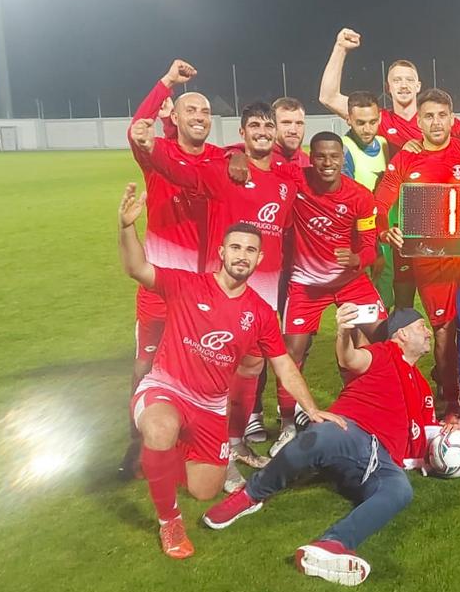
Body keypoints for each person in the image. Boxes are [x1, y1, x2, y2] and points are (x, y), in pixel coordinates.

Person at [117, 184, 343, 559]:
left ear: (259, 258)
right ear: (222, 252)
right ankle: (170, 521)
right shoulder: (187, 284)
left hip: (210, 406)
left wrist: (312, 408)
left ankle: (166, 452)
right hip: (167, 389)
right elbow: (136, 268)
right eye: (235, 247)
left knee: (204, 489)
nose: (242, 255)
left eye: (250, 250)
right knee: (159, 428)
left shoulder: (260, 312)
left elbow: (284, 364)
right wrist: (127, 227)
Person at [202, 305, 440, 587]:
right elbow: (350, 358)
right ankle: (250, 495)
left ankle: (333, 544)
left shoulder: (422, 386)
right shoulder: (384, 353)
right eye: (421, 327)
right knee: (320, 436)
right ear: (402, 334)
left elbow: (428, 434)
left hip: (382, 459)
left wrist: (452, 435)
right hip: (349, 432)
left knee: (400, 491)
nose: (428, 332)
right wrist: (343, 333)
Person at [131, 101, 298, 484]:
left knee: (253, 367)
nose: (262, 132)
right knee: (216, 371)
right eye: (254, 126)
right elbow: (178, 169)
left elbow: (283, 232)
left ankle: (235, 442)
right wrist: (151, 145)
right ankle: (211, 450)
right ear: (242, 133)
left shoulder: (286, 183)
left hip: (264, 296)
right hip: (223, 292)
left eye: (267, 126)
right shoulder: (224, 172)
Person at [120, 59, 228, 479]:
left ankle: (192, 438)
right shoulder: (157, 154)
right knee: (146, 364)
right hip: (159, 284)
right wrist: (166, 82)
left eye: (205, 111)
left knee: (202, 363)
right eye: (191, 110)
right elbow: (137, 130)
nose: (199, 116)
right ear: (175, 118)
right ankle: (137, 438)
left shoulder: (220, 158)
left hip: (202, 289)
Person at [375, 88, 460, 420]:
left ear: (452, 119)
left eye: (441, 115)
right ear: (418, 122)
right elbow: (379, 203)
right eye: (428, 116)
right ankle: (451, 399)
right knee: (443, 331)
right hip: (430, 259)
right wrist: (384, 231)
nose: (436, 122)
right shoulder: (405, 159)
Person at [318, 28, 460, 310]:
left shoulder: (434, 120)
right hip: (391, 224)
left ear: (418, 85)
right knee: (393, 301)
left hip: (435, 223)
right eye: (397, 80)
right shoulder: (378, 120)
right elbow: (328, 97)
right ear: (388, 87)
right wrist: (340, 48)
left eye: (409, 79)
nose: (403, 84)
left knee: (445, 307)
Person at [271, 132, 389, 455]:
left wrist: (357, 259)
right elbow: (261, 160)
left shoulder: (359, 196)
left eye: (334, 156)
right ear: (311, 157)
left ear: (342, 159)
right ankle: (287, 424)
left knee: (385, 339)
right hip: (306, 284)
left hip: (351, 281)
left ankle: (373, 407)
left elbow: (369, 247)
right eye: (321, 156)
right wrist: (236, 156)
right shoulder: (298, 179)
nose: (327, 163)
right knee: (291, 352)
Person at [334, 90, 394, 307]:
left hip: (382, 232)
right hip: (359, 238)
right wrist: (372, 249)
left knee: (384, 296)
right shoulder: (344, 148)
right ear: (348, 119)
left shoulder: (383, 144)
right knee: (362, 303)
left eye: (372, 122)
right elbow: (349, 203)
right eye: (360, 123)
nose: (367, 129)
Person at [272, 97, 311, 168]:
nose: (293, 131)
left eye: (299, 123)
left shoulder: (308, 162)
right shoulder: (261, 161)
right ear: (273, 125)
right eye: (286, 123)